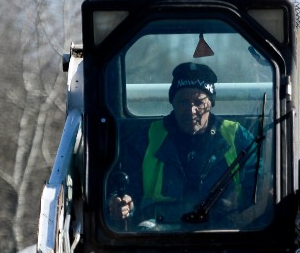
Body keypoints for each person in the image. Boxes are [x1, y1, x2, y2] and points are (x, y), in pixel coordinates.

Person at [108, 62, 258, 226]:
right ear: (172, 102)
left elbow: (259, 185)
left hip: (223, 231)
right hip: (159, 236)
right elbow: (127, 187)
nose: (191, 110)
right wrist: (123, 203)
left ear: (211, 103)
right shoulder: (147, 138)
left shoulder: (237, 137)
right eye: (183, 101)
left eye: (198, 102)